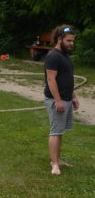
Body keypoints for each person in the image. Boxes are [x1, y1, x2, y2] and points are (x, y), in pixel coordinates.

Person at [43, 25, 79, 175]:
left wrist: (73, 96)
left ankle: (58, 159)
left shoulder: (64, 55)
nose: (72, 43)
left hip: (66, 98)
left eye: (72, 41)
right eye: (69, 41)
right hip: (56, 99)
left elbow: (67, 78)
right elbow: (51, 80)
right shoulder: (53, 56)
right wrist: (57, 100)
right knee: (55, 131)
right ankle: (54, 165)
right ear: (60, 39)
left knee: (60, 131)